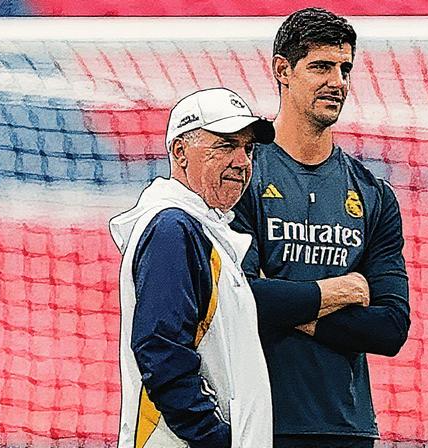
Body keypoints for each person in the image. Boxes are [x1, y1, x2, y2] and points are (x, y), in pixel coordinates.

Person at [109, 87, 368, 447]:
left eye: (248, 148)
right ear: (180, 152)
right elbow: (161, 348)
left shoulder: (201, 229)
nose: (243, 161)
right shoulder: (173, 228)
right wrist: (215, 439)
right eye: (226, 145)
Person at [230, 8, 411, 448]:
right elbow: (240, 302)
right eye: (321, 67)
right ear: (282, 70)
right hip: (258, 421)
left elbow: (390, 328)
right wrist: (341, 292)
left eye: (345, 68)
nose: (338, 81)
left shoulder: (373, 194)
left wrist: (288, 302)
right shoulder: (240, 176)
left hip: (347, 427)